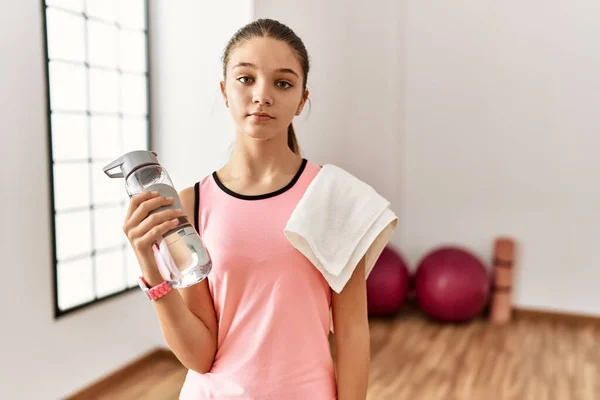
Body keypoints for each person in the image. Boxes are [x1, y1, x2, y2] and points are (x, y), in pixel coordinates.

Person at [123, 19, 373, 399]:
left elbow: (352, 332)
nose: (262, 95)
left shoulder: (333, 196)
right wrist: (150, 265)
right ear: (224, 91)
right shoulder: (192, 202)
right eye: (245, 79)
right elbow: (201, 355)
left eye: (283, 83)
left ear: (303, 99)